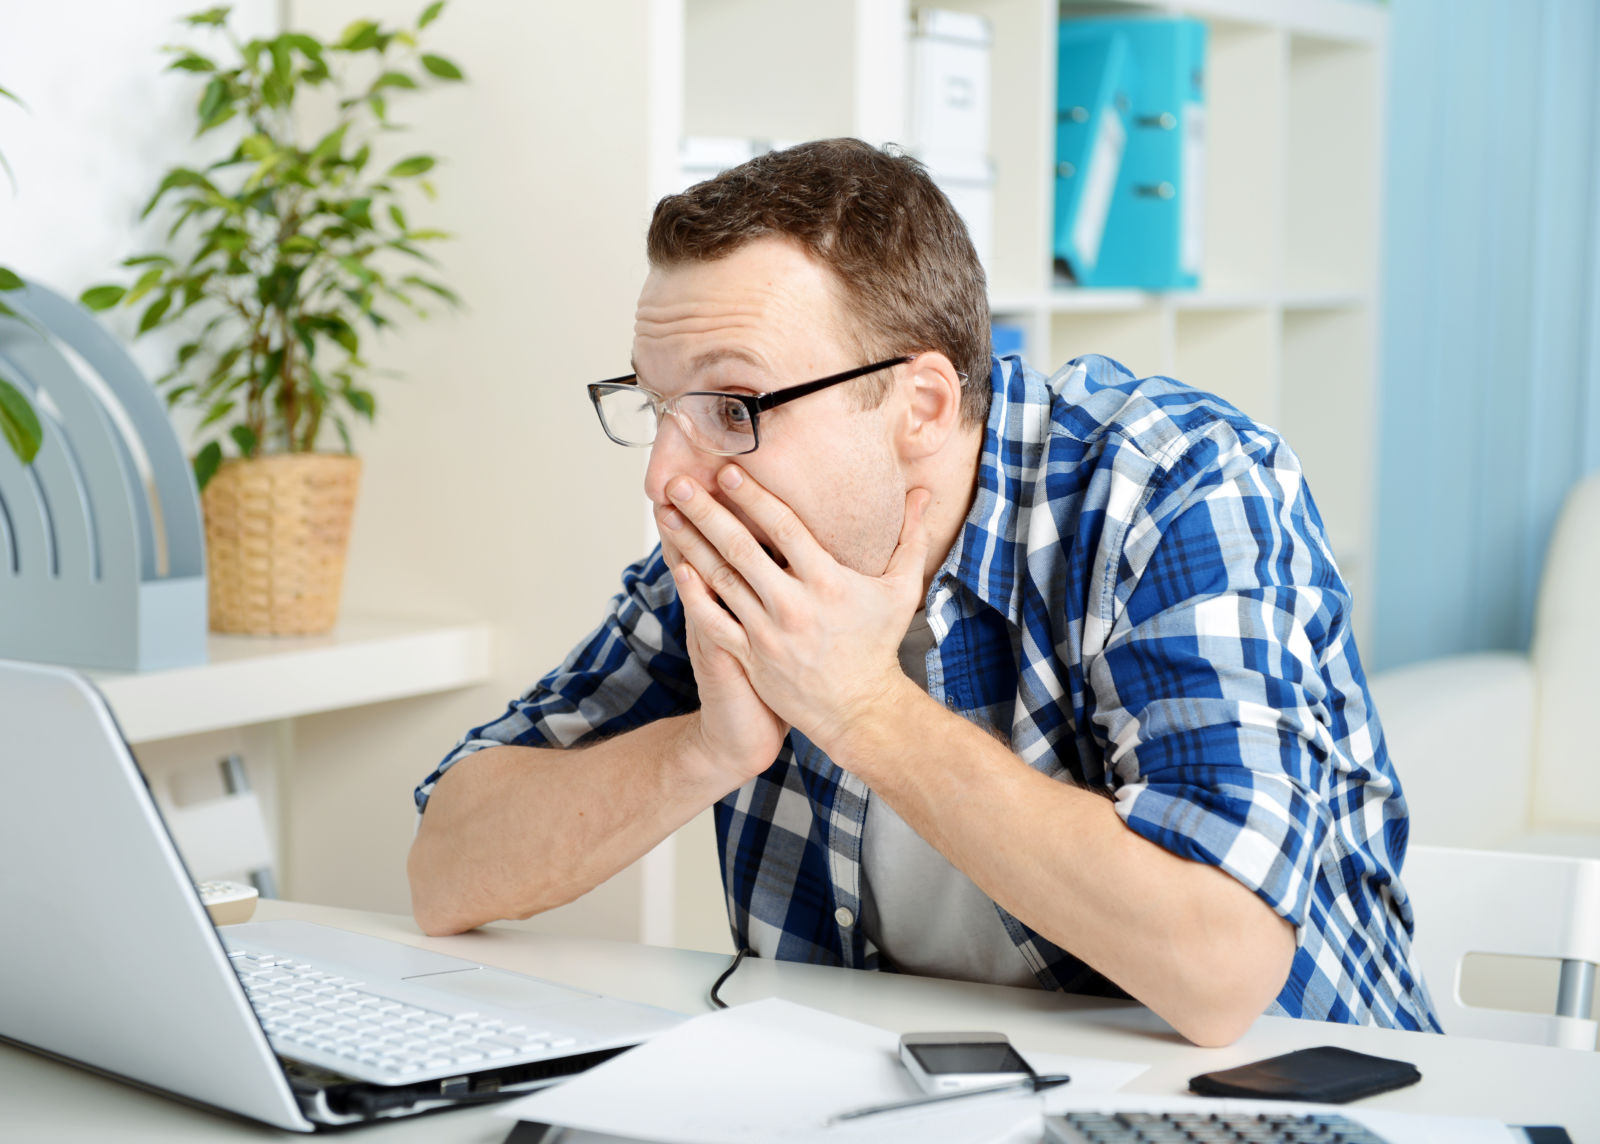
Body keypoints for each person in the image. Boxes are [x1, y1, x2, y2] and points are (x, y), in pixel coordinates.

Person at [408, 138, 1438, 1047]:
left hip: (1297, 1104)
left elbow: (1221, 964)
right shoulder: (744, 542)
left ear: (923, 405)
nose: (666, 477)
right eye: (657, 405)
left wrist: (859, 706)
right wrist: (707, 748)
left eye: (732, 404)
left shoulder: (1172, 489)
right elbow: (445, 867)